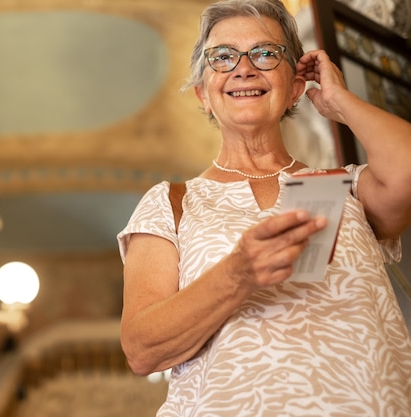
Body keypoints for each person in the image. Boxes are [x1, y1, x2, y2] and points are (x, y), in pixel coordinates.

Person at [116, 0, 411, 415]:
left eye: (265, 53)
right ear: (203, 94)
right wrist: (237, 274)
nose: (244, 67)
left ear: (294, 86)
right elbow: (141, 349)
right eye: (222, 57)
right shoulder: (172, 203)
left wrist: (339, 102)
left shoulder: (347, 188)